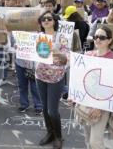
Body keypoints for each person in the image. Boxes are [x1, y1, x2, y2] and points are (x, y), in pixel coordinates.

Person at [80, 26, 113, 149]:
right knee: (87, 139)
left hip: (103, 105)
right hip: (86, 103)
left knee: (95, 142)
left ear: (109, 40)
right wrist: (74, 97)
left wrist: (99, 107)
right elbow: (81, 80)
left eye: (102, 37)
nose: (97, 39)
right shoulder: (88, 54)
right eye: (95, 37)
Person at [36, 11, 68, 149]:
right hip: (40, 76)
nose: (46, 20)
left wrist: (56, 51)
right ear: (41, 22)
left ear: (54, 21)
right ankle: (50, 132)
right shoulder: (38, 36)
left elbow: (67, 59)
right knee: (44, 108)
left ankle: (58, 136)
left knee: (52, 111)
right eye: (44, 19)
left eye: (49, 18)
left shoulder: (62, 38)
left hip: (56, 78)